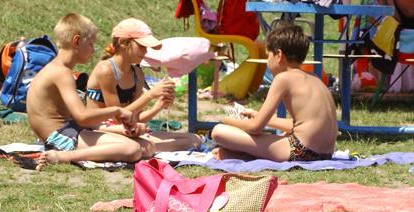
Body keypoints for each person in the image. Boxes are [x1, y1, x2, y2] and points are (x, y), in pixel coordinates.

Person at [27, 13, 142, 170]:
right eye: (91, 44)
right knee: (133, 149)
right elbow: (82, 117)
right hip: (58, 135)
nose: (93, 50)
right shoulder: (62, 73)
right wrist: (117, 110)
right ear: (77, 41)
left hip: (67, 129)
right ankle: (63, 156)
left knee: (139, 144)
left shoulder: (58, 68)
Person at [211, 23, 338, 162]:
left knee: (218, 131)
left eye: (268, 56)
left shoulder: (283, 78)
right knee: (282, 136)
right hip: (325, 153)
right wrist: (257, 115)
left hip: (301, 151)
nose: (267, 62)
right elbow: (301, 124)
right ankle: (238, 154)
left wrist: (227, 120)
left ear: (278, 55)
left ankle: (239, 154)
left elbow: (255, 128)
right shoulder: (314, 78)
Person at [86, 18, 202, 153]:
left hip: (126, 129)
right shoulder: (106, 70)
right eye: (141, 47)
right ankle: (144, 147)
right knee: (148, 144)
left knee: (195, 139)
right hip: (100, 129)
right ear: (124, 43)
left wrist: (159, 105)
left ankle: (145, 147)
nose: (146, 52)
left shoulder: (137, 73)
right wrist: (150, 95)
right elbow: (118, 117)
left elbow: (134, 118)